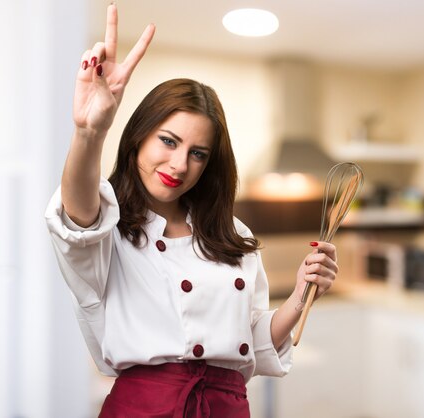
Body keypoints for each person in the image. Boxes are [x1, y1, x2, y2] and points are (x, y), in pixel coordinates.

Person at [45, 4, 338, 417]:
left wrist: (301, 295)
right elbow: (77, 218)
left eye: (197, 153)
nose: (180, 165)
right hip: (145, 409)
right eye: (168, 141)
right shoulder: (108, 227)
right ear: (138, 137)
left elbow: (251, 340)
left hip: (226, 406)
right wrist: (89, 131)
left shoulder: (230, 233)